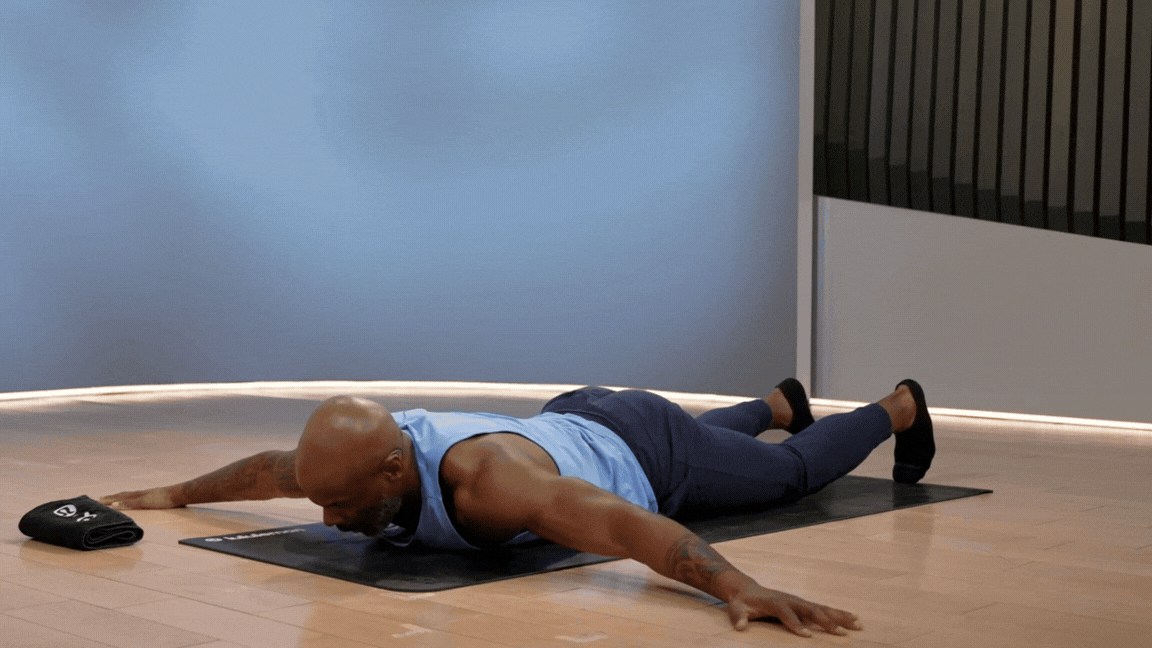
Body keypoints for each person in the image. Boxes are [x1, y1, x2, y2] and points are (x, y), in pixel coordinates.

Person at [101, 378, 935, 638]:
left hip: (643, 448)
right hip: (572, 417)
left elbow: (621, 526)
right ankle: (771, 401)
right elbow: (263, 472)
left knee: (783, 475)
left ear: (396, 468)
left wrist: (734, 586)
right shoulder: (348, 460)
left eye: (343, 505)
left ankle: (892, 406)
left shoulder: (491, 485)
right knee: (733, 443)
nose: (325, 517)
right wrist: (173, 494)